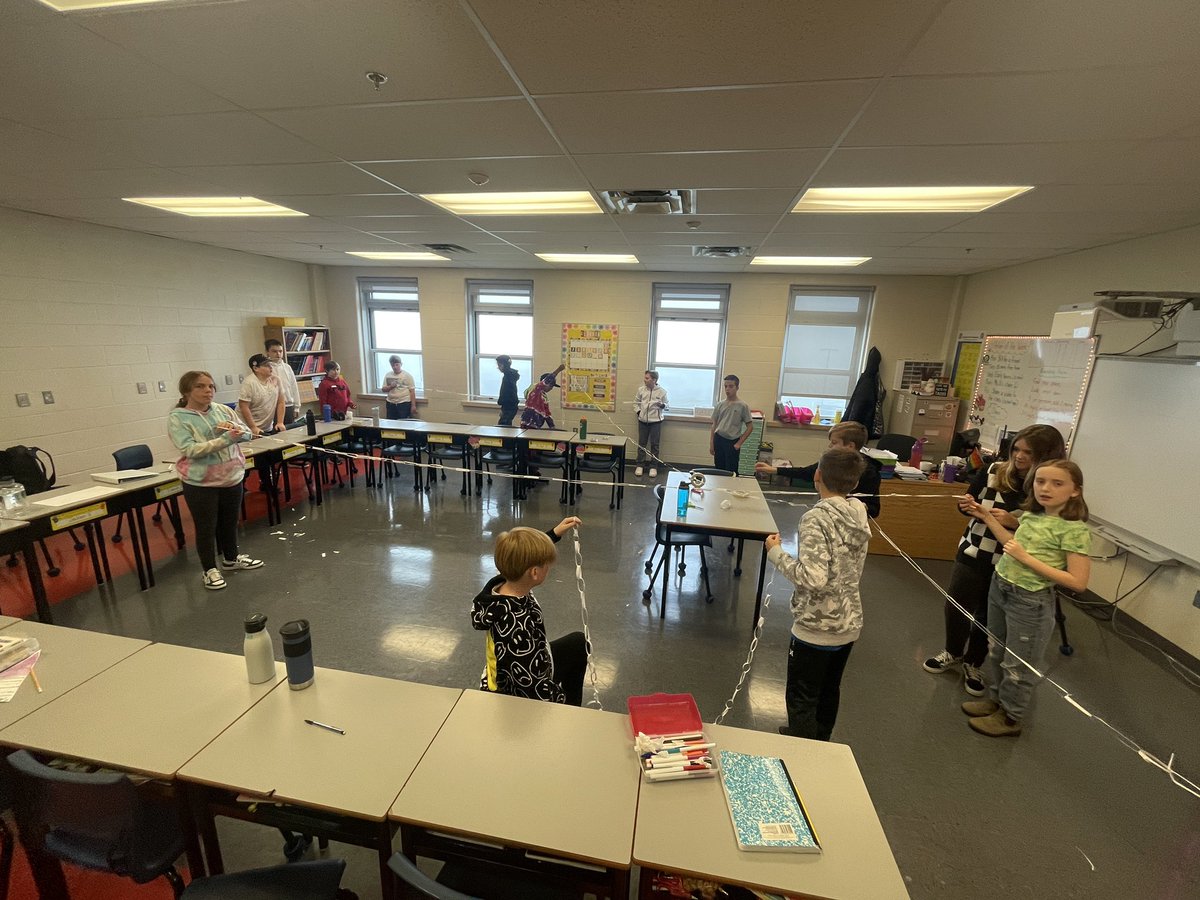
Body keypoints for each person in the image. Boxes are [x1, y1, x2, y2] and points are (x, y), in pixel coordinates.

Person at [922, 424, 1066, 696]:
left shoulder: (1047, 486)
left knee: (987, 615)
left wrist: (1015, 521)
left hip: (1010, 561)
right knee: (956, 605)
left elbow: (1049, 526)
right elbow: (970, 500)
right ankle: (952, 651)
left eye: (1029, 453)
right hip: (974, 550)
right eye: (1017, 450)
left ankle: (974, 662)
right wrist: (965, 506)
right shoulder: (994, 470)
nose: (1020, 457)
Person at [962, 459, 1090, 737]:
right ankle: (996, 702)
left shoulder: (1074, 529)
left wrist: (1025, 559)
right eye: (1040, 481)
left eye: (1057, 483)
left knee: (1018, 663)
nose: (1046, 488)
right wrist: (985, 516)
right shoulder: (1032, 515)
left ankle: (1010, 718)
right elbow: (1011, 543)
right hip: (1001, 586)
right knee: (996, 651)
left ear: (1075, 491)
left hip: (1030, 600)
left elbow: (1078, 582)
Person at [765, 448, 871, 740]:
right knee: (828, 690)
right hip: (848, 623)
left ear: (818, 475)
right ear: (854, 483)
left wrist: (776, 553)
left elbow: (812, 577)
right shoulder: (858, 511)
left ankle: (803, 751)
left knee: (802, 696)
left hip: (816, 626)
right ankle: (820, 743)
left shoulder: (815, 519)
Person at [471, 516, 587, 705]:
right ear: (534, 572)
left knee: (578, 643)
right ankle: (570, 710)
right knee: (575, 648)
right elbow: (529, 686)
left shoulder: (507, 581)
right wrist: (557, 698)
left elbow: (520, 556)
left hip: (535, 659)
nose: (548, 568)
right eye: (546, 565)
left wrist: (554, 534)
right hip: (518, 688)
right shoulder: (516, 626)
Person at [168, 371, 263, 591]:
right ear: (186, 391)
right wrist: (224, 439)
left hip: (231, 476)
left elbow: (247, 433)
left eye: (210, 386)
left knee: (230, 522)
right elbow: (190, 449)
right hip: (201, 482)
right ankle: (209, 569)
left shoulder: (222, 410)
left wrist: (240, 431)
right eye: (200, 387)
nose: (207, 391)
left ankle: (231, 559)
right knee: (206, 527)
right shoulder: (178, 418)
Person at [755, 420, 881, 518]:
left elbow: (874, 509)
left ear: (850, 445)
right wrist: (774, 470)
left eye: (834, 442)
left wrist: (853, 507)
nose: (830, 446)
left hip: (852, 524)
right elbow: (806, 472)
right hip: (826, 515)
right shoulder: (829, 460)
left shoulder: (869, 472)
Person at [710, 374, 753, 473]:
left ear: (737, 387)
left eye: (731, 386)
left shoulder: (742, 406)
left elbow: (750, 427)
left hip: (732, 442)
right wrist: (711, 443)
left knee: (731, 471)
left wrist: (739, 443)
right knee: (719, 469)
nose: (727, 389)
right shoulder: (720, 405)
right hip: (719, 439)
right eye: (725, 386)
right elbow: (714, 425)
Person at [237, 354, 284, 437]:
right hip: (246, 428)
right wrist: (253, 427)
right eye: (266, 365)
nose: (271, 367)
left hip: (266, 427)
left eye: (270, 365)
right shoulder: (249, 383)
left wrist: (280, 422)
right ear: (256, 368)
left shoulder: (276, 380)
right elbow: (244, 406)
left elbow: (281, 402)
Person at [633, 370, 668, 478]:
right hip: (643, 422)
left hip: (656, 422)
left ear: (654, 380)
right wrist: (639, 413)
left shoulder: (662, 392)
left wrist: (662, 405)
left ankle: (653, 466)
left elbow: (667, 406)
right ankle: (640, 465)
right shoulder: (641, 390)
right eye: (645, 377)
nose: (645, 380)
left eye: (647, 378)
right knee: (641, 444)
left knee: (655, 445)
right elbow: (635, 403)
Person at [264, 339, 300, 425]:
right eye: (274, 351)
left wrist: (297, 407)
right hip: (273, 408)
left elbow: (294, 387)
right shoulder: (265, 369)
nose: (278, 354)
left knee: (291, 433)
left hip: (289, 406)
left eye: (280, 351)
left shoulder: (287, 367)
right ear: (267, 352)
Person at [520, 363, 565, 430]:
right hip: (528, 424)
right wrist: (558, 370)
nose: (551, 388)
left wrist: (552, 427)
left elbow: (547, 414)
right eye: (550, 386)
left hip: (537, 426)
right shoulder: (536, 391)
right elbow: (547, 380)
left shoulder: (544, 397)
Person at [496, 355, 521, 426]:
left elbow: (506, 393)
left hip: (509, 406)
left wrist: (502, 404)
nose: (498, 367)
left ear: (504, 365)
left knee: (503, 426)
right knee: (505, 425)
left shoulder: (508, 377)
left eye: (499, 365)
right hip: (509, 405)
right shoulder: (510, 375)